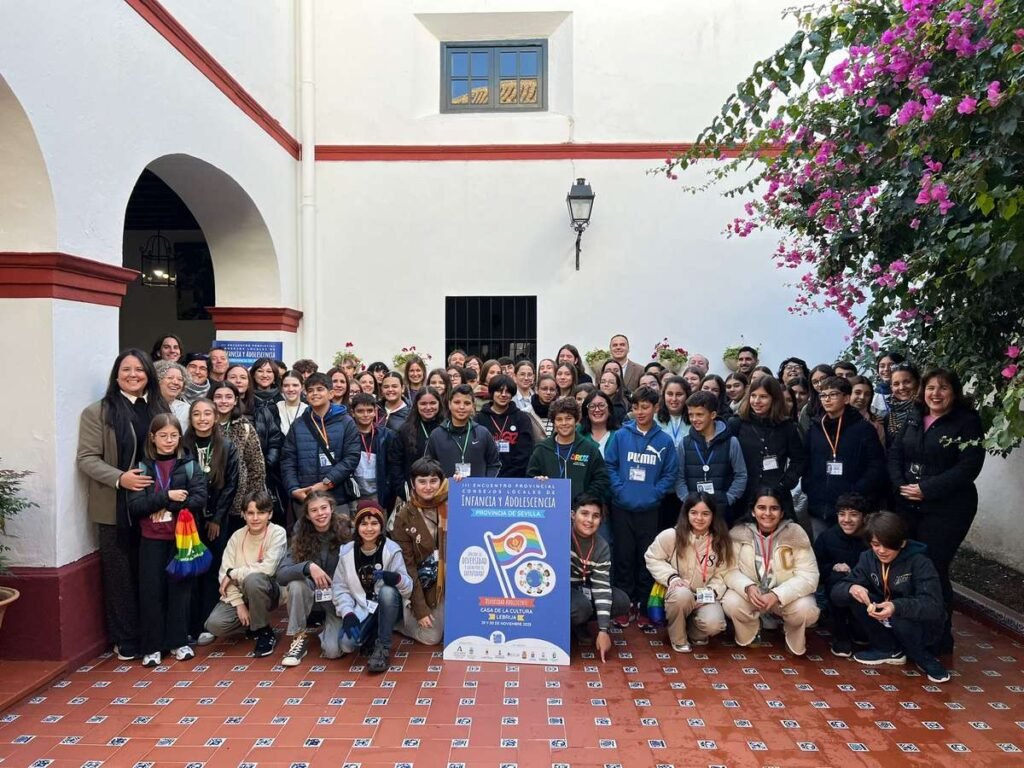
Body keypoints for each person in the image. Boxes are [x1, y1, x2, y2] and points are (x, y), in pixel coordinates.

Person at [77, 349, 168, 660]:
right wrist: (120, 479)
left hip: (155, 504)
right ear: (116, 375)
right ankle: (125, 638)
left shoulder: (158, 407)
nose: (133, 374)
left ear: (148, 375)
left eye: (139, 369)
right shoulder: (98, 412)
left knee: (151, 571)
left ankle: (153, 634)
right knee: (121, 575)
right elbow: (87, 458)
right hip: (115, 506)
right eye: (126, 369)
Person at [888, 367, 984, 653]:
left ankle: (938, 637)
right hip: (908, 503)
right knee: (909, 566)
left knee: (933, 567)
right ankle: (910, 631)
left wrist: (927, 489)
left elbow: (969, 467)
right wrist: (901, 485)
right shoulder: (915, 417)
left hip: (948, 508)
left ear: (954, 392)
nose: (936, 394)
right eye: (930, 388)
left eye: (943, 388)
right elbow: (895, 454)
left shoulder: (967, 422)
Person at [127, 413, 208, 666]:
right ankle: (153, 646)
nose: (168, 440)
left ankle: (178, 641)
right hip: (151, 539)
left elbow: (199, 499)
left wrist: (168, 506)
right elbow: (136, 506)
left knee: (179, 590)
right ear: (152, 438)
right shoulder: (142, 468)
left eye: (173, 435)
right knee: (151, 591)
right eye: (163, 435)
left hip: (181, 539)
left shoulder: (189, 465)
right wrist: (166, 496)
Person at [833, 511, 950, 682]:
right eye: (875, 544)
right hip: (884, 620)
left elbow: (933, 605)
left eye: (887, 545)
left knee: (899, 614)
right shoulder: (867, 558)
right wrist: (851, 588)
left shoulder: (920, 562)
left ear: (901, 543)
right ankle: (886, 649)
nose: (881, 550)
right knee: (854, 596)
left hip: (917, 626)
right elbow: (837, 592)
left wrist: (896, 606)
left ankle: (922, 656)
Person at [605, 386, 680, 627]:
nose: (639, 412)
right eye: (635, 407)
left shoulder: (665, 441)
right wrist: (619, 490)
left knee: (647, 558)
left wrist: (655, 493)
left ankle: (646, 607)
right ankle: (625, 606)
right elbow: (610, 466)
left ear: (656, 408)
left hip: (649, 508)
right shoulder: (620, 435)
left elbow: (670, 474)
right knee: (624, 557)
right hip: (622, 506)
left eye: (645, 407)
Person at [722, 487, 820, 656]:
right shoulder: (738, 533)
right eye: (761, 508)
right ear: (753, 511)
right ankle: (751, 632)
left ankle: (792, 635)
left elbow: (809, 576)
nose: (767, 513)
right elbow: (728, 570)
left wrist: (777, 594)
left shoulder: (795, 533)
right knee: (731, 601)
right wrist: (748, 587)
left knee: (807, 609)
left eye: (774, 508)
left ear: (782, 513)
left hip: (783, 599)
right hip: (754, 597)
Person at [181, 398, 239, 645]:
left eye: (208, 414)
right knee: (189, 570)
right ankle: (188, 624)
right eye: (197, 414)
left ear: (216, 418)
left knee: (212, 570)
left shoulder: (226, 446)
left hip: (217, 519)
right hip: (188, 521)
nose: (202, 418)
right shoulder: (182, 446)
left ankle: (208, 621)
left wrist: (216, 518)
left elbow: (230, 485)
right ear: (191, 419)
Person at [204, 490, 288, 657]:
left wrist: (234, 573)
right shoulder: (237, 536)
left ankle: (263, 631)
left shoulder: (277, 533)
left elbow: (268, 569)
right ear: (243, 514)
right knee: (214, 625)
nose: (255, 518)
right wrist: (239, 604)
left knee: (253, 579)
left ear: (270, 514)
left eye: (261, 513)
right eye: (250, 513)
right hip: (242, 593)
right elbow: (224, 575)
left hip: (269, 590)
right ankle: (251, 622)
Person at [645, 492, 731, 652]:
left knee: (715, 624)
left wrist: (710, 592)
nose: (699, 518)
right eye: (694, 513)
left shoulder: (720, 541)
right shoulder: (671, 535)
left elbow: (723, 573)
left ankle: (694, 632)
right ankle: (678, 638)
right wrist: (671, 578)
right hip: (678, 593)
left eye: (705, 513)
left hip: (705, 595)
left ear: (713, 516)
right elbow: (652, 558)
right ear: (686, 514)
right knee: (681, 595)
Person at [332, 500, 413, 672]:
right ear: (357, 525)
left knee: (387, 592)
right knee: (347, 645)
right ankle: (372, 630)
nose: (369, 529)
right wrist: (347, 613)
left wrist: (396, 578)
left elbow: (408, 588)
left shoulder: (392, 549)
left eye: (374, 523)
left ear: (381, 525)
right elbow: (340, 588)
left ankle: (383, 646)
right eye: (364, 523)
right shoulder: (347, 551)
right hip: (362, 607)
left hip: (389, 606)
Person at [802, 376, 886, 538]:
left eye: (833, 394)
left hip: (851, 508)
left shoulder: (863, 429)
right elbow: (806, 461)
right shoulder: (815, 428)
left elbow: (876, 465)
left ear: (846, 398)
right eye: (823, 395)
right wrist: (809, 486)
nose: (827, 399)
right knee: (822, 553)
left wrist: (856, 491)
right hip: (819, 505)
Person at [275, 492, 353, 666]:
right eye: (314, 510)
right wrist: (308, 566)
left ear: (332, 508)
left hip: (337, 601)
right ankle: (298, 638)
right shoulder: (301, 535)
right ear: (308, 516)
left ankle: (328, 629)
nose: (320, 514)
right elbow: (281, 574)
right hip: (311, 597)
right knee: (296, 585)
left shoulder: (347, 531)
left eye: (324, 508)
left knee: (334, 651)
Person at [281, 372, 361, 517]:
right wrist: (293, 489)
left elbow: (352, 458)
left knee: (340, 537)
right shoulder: (298, 424)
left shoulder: (346, 422)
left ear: (330, 394)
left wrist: (327, 483)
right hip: (305, 497)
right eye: (310, 390)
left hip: (337, 497)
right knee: (307, 538)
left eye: (319, 389)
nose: (314, 394)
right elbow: (288, 460)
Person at [391, 459, 448, 646]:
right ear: (413, 484)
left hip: (453, 579)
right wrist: (420, 609)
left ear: (442, 481)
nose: (428, 487)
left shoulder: (454, 504)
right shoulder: (404, 516)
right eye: (422, 481)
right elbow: (408, 567)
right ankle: (398, 622)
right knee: (432, 638)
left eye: (433, 481)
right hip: (426, 583)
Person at [729, 375, 805, 514]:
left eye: (763, 397)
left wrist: (785, 483)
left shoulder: (787, 427)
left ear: (774, 399)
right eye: (753, 396)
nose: (757, 401)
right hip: (744, 496)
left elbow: (799, 459)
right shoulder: (737, 423)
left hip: (776, 495)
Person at [569, 495, 628, 662]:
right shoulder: (560, 531)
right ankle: (566, 627)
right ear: (573, 514)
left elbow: (601, 587)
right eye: (584, 513)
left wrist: (603, 630)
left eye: (595, 516)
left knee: (621, 601)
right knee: (580, 607)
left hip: (584, 590)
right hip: (561, 592)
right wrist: (541, 487)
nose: (589, 520)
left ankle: (580, 625)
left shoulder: (601, 546)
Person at [676, 391, 748, 525]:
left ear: (713, 415)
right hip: (693, 511)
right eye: (691, 415)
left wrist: (729, 498)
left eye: (699, 414)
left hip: (722, 510)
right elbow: (679, 476)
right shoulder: (684, 443)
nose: (694, 419)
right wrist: (687, 500)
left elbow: (741, 475)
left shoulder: (731, 442)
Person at [814, 492, 870, 658]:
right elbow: (815, 567)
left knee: (863, 635)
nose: (847, 519)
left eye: (853, 515)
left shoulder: (871, 537)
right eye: (842, 514)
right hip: (838, 590)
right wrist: (832, 567)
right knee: (837, 580)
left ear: (864, 517)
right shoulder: (827, 537)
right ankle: (841, 634)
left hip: (867, 589)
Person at [527, 397, 610, 504]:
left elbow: (601, 479)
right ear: (554, 422)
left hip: (581, 511)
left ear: (576, 420)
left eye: (568, 418)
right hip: (550, 509)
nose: (564, 423)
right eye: (559, 419)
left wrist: (584, 500)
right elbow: (530, 478)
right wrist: (538, 481)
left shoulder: (590, 449)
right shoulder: (541, 449)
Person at [209, 381, 267, 530]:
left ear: (235, 400)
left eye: (228, 397)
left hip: (237, 503)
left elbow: (256, 467)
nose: (223, 401)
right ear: (211, 399)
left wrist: (249, 502)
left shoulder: (244, 426)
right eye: (218, 396)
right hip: (209, 501)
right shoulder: (203, 425)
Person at [425, 384, 501, 478]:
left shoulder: (483, 433)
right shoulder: (436, 435)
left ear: (473, 405)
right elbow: (428, 466)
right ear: (449, 404)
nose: (462, 407)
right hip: (447, 490)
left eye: (467, 403)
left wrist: (486, 483)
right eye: (457, 402)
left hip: (475, 491)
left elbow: (494, 464)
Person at [348, 392, 404, 514]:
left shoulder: (387, 435)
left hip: (379, 493)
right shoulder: (347, 436)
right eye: (360, 411)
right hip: (355, 494)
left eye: (369, 411)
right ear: (353, 412)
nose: (365, 415)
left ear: (375, 412)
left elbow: (393, 466)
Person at [479, 374, 536, 478]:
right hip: (487, 479)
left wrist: (508, 476)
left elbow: (524, 453)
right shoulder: (479, 419)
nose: (503, 395)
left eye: (508, 391)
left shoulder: (522, 418)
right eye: (499, 391)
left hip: (515, 478)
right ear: (492, 392)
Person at [396, 388, 444, 482]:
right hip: (412, 488)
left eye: (433, 403)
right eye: (423, 404)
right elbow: (396, 462)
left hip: (442, 487)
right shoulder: (405, 430)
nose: (428, 407)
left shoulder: (447, 428)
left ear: (439, 404)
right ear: (416, 405)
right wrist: (402, 489)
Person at [884, 362, 921, 446]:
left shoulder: (927, 410)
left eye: (907, 382)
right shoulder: (888, 418)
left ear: (918, 383)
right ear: (891, 388)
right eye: (896, 384)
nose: (902, 387)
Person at [580, 389, 621, 459]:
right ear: (586, 411)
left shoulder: (620, 435)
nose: (597, 410)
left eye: (601, 405)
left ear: (609, 409)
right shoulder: (578, 433)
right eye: (592, 406)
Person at [655, 376, 690, 449]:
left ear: (687, 396)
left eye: (679, 394)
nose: (674, 399)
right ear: (663, 395)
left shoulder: (694, 420)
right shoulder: (653, 420)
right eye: (670, 394)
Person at [849, 375, 885, 444]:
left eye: (867, 394)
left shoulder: (876, 423)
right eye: (857, 393)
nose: (862, 397)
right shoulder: (836, 419)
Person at [871, 349, 906, 419]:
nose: (886, 369)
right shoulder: (874, 394)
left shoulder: (910, 391)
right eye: (882, 366)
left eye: (891, 365)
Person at [154, 359, 190, 425]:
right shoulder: (145, 405)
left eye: (180, 379)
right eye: (170, 378)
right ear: (157, 380)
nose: (176, 382)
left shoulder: (186, 409)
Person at [276, 370, 309, 436]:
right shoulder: (273, 409)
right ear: (282, 388)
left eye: (295, 385)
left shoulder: (309, 410)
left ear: (302, 387)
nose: (290, 389)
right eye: (286, 386)